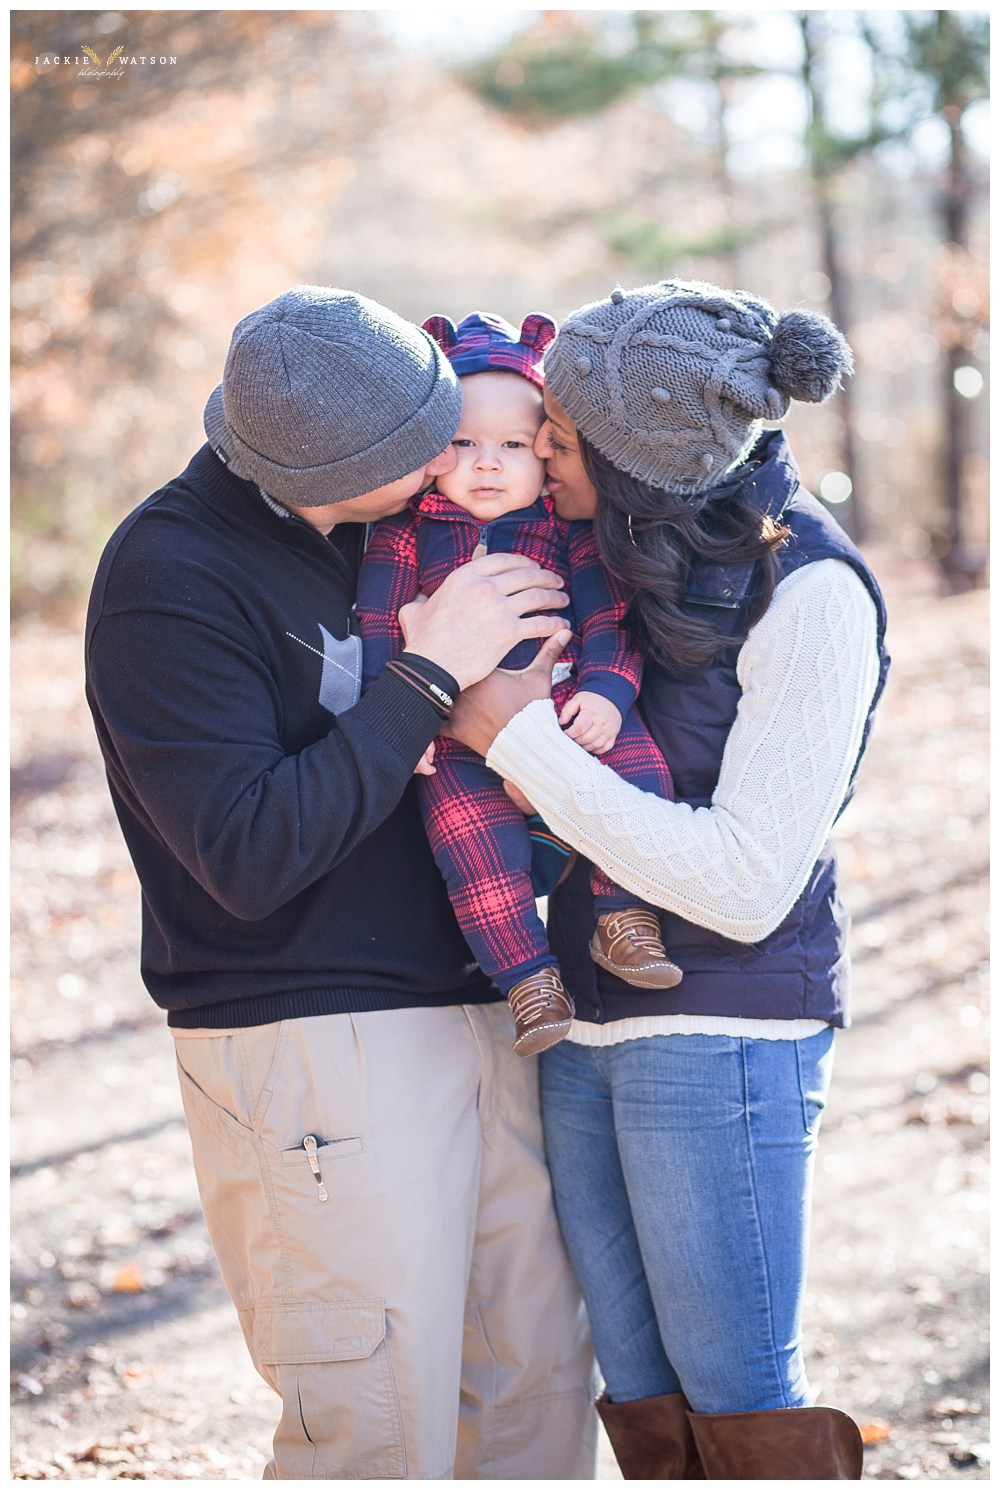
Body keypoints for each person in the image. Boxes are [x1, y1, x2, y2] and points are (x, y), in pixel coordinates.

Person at [84, 285, 598, 1480]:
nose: (458, 457)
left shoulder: (396, 530)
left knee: (533, 1398)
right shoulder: (172, 573)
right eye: (429, 441)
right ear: (339, 464)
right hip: (317, 1037)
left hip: (486, 1001)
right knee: (375, 1425)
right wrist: (429, 672)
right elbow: (247, 852)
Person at [445, 279, 890, 1479]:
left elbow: (746, 881)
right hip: (586, 1024)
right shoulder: (620, 549)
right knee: (641, 1399)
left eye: (562, 434)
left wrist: (513, 738)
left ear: (643, 464)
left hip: (724, 1027)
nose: (537, 444)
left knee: (739, 1401)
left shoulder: (813, 595)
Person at [356, 310, 682, 1057]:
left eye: (511, 445)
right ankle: (529, 978)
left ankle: (624, 917)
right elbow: (376, 625)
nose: (488, 464)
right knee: (471, 848)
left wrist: (608, 691)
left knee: (640, 771)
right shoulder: (407, 530)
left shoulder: (568, 528)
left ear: (545, 452)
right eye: (463, 444)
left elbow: (610, 616)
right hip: (451, 729)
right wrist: (397, 724)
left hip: (568, 703)